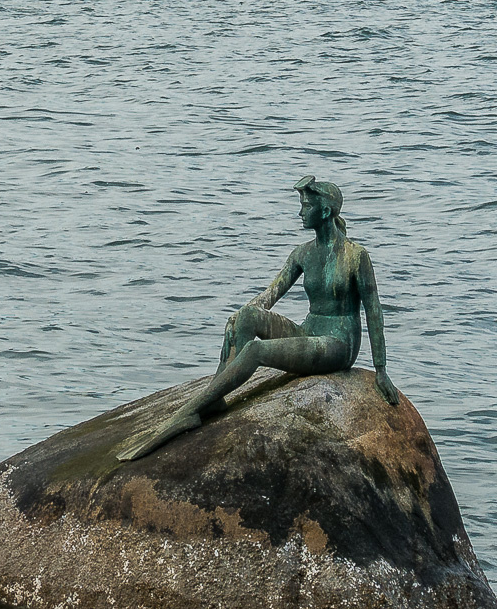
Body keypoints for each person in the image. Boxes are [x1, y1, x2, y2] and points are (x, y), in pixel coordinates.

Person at [116, 176, 398, 462]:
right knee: (248, 317)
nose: (300, 212)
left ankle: (188, 411)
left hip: (338, 344)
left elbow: (374, 311)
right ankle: (215, 399)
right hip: (309, 331)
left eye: (306, 206)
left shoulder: (355, 256)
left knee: (255, 351)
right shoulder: (303, 253)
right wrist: (238, 318)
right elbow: (269, 295)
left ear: (324, 212)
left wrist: (381, 369)